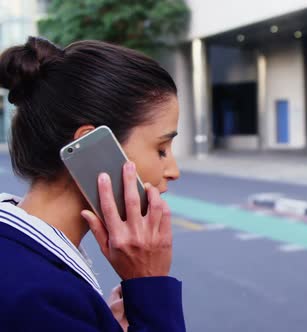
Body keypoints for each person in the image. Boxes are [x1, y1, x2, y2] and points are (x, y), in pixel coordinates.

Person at [0, 36, 185, 331]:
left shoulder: (19, 260)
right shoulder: (39, 299)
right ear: (90, 144)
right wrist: (150, 286)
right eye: (161, 149)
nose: (173, 171)